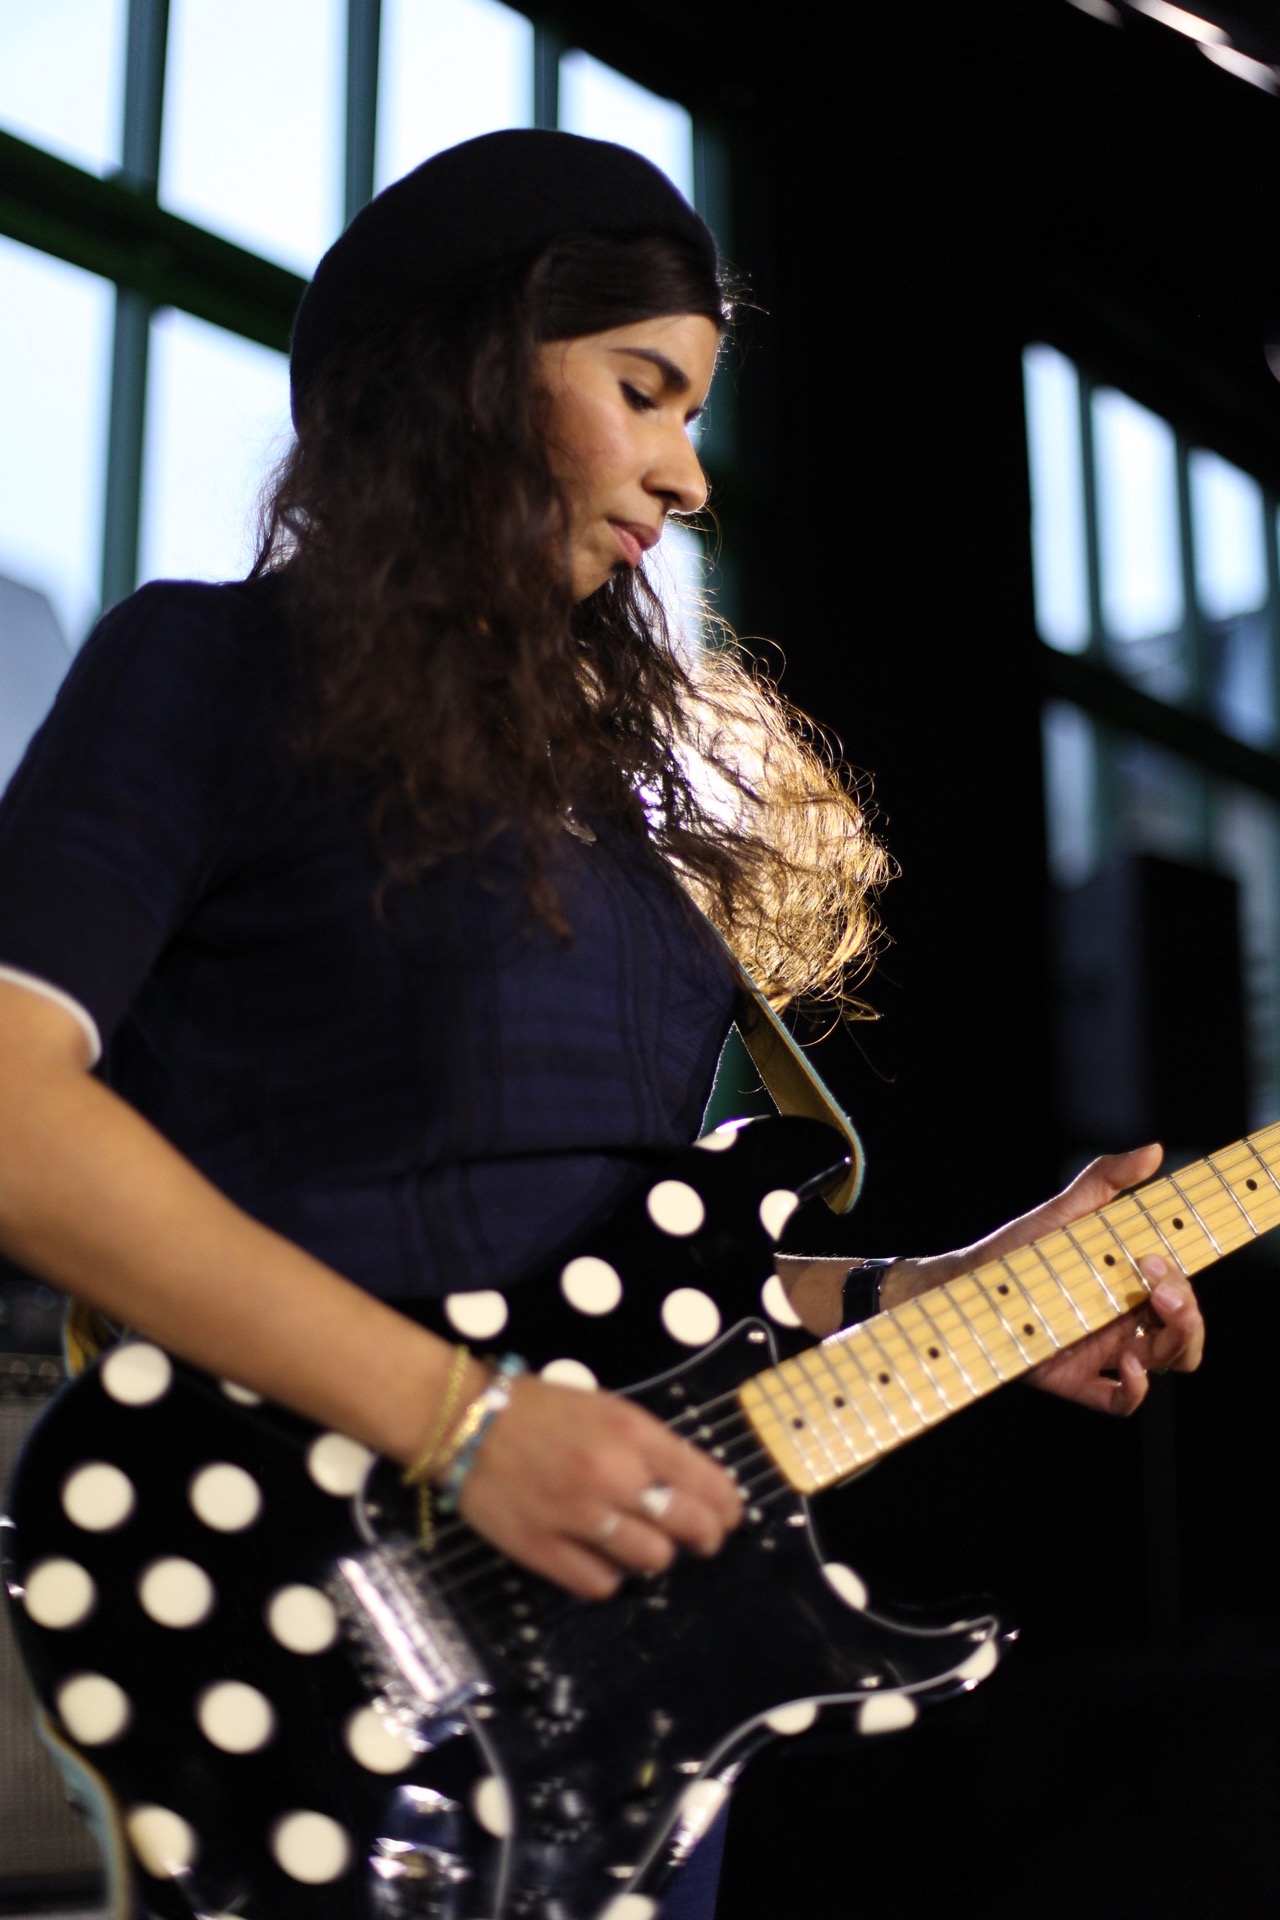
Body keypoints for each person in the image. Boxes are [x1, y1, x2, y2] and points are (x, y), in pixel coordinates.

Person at [0, 131, 1203, 1920]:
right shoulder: (212, 671)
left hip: (618, 1702)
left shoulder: (629, 849)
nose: (687, 475)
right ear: (463, 368)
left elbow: (625, 1283)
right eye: (643, 391)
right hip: (312, 1623)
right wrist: (469, 1427)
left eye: (696, 413)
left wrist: (944, 1292)